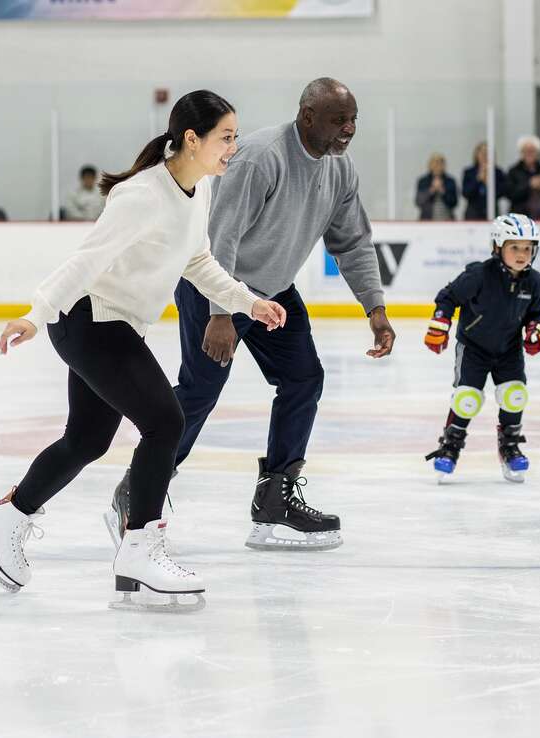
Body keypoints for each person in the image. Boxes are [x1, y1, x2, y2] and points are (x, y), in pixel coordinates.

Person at [0, 91, 286, 610]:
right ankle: (139, 551)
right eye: (226, 137)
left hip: (114, 325)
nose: (233, 148)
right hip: (89, 321)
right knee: (165, 422)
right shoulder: (141, 195)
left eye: (235, 137)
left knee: (86, 440)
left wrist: (248, 302)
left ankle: (4, 520)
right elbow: (86, 261)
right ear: (192, 139)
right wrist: (35, 313)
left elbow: (197, 263)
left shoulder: (196, 193)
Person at [105, 77, 394, 555]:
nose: (348, 129)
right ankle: (139, 488)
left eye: (353, 120)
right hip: (215, 288)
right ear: (307, 117)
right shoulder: (262, 157)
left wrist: (375, 307)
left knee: (304, 379)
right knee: (201, 389)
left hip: (273, 293)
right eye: (338, 119)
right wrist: (222, 313)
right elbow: (221, 236)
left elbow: (352, 241)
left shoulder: (340, 170)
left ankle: (275, 497)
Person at [423, 214, 540, 483]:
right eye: (514, 247)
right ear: (498, 247)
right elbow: (448, 296)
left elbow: (538, 311)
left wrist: (535, 329)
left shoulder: (533, 281)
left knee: (515, 395)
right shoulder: (479, 274)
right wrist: (440, 322)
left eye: (527, 248)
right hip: (473, 348)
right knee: (467, 399)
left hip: (509, 350)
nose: (522, 254)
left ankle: (510, 446)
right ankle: (450, 446)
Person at [506, 135, 540, 219]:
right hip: (520, 218)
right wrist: (529, 185)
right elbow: (510, 194)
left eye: (532, 151)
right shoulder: (513, 171)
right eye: (526, 151)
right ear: (521, 152)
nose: (529, 153)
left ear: (538, 152)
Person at [461, 142, 506, 221]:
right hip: (473, 213)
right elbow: (466, 193)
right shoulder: (469, 172)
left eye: (488, 153)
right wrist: (478, 180)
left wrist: (488, 182)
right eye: (482, 153)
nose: (485, 156)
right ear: (477, 155)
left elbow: (502, 193)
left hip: (493, 211)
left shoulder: (498, 172)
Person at [415, 153, 459, 221]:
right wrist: (432, 190)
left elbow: (454, 202)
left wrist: (442, 190)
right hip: (427, 220)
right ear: (430, 165)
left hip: (447, 220)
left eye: (440, 163)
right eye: (435, 163)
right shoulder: (423, 181)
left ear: (444, 165)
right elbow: (419, 201)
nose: (437, 166)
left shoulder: (450, 181)